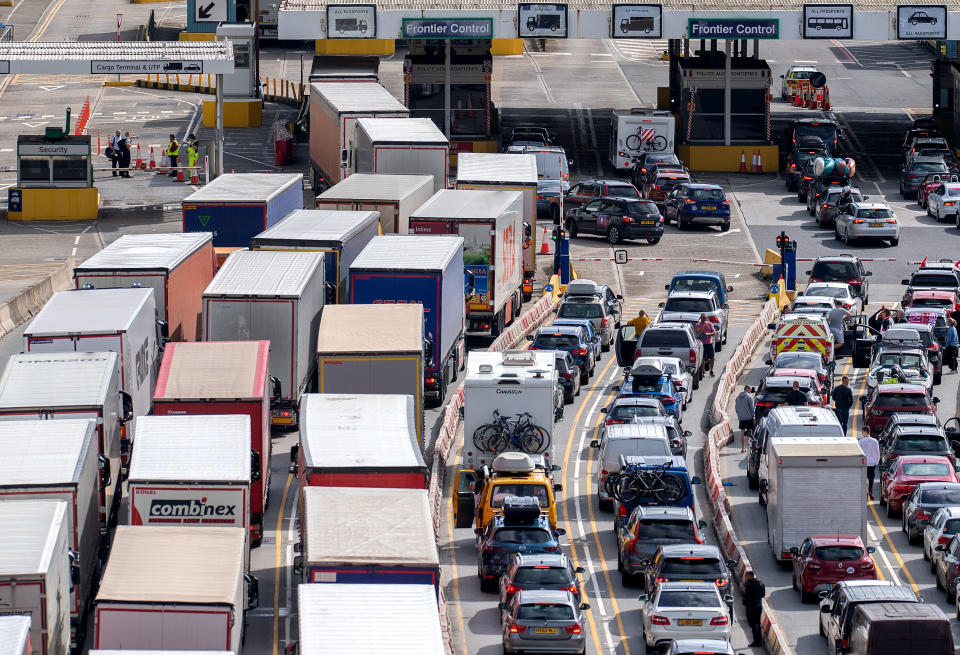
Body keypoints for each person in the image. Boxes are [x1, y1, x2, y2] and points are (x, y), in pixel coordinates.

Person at [744, 570, 766, 647]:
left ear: (750, 576)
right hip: (759, 606)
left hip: (751, 607)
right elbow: (763, 595)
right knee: (758, 624)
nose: (745, 578)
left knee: (752, 624)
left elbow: (746, 596)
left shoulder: (749, 584)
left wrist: (745, 604)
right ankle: (759, 641)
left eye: (746, 576)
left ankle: (756, 642)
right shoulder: (760, 583)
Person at [859, 425, 880, 500]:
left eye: (862, 432)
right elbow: (877, 453)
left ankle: (865, 492)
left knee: (864, 478)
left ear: (865, 432)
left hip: (864, 463)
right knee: (871, 478)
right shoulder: (874, 441)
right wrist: (876, 462)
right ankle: (870, 490)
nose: (862, 433)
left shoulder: (860, 441)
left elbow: (860, 453)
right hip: (872, 463)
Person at [735, 385, 756, 453]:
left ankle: (743, 448)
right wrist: (753, 416)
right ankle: (749, 447)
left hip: (741, 418)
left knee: (742, 431)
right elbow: (752, 408)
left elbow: (736, 409)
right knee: (750, 432)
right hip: (749, 417)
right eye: (750, 390)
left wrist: (739, 416)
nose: (750, 392)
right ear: (748, 389)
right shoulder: (749, 397)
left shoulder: (737, 398)